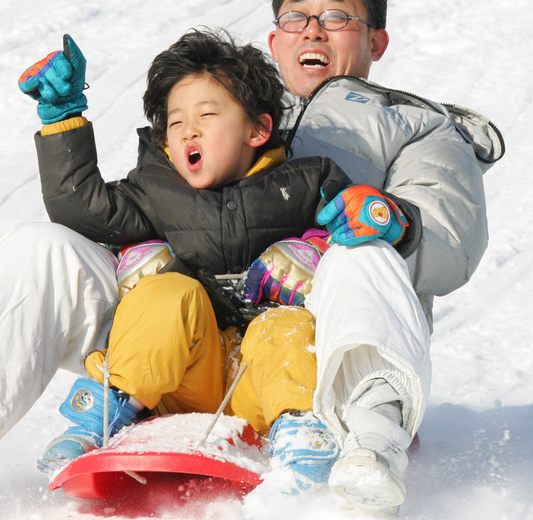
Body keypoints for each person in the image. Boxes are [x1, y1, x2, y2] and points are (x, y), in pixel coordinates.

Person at [30, 27, 366, 479]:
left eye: (207, 114)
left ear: (257, 128)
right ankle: (99, 422)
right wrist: (62, 119)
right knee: (164, 294)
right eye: (175, 121)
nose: (188, 129)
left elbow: (363, 230)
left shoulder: (308, 181)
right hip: (178, 378)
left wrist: (317, 249)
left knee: (284, 327)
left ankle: (302, 435)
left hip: (265, 385)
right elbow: (80, 207)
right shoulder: (154, 189)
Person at [243, 0, 503, 513]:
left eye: (336, 16)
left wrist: (394, 222)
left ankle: (371, 445)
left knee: (360, 251)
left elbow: (451, 242)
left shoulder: (422, 128)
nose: (313, 29)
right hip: (224, 346)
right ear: (275, 40)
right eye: (296, 16)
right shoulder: (226, 107)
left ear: (376, 41)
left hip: (335, 356)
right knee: (55, 249)